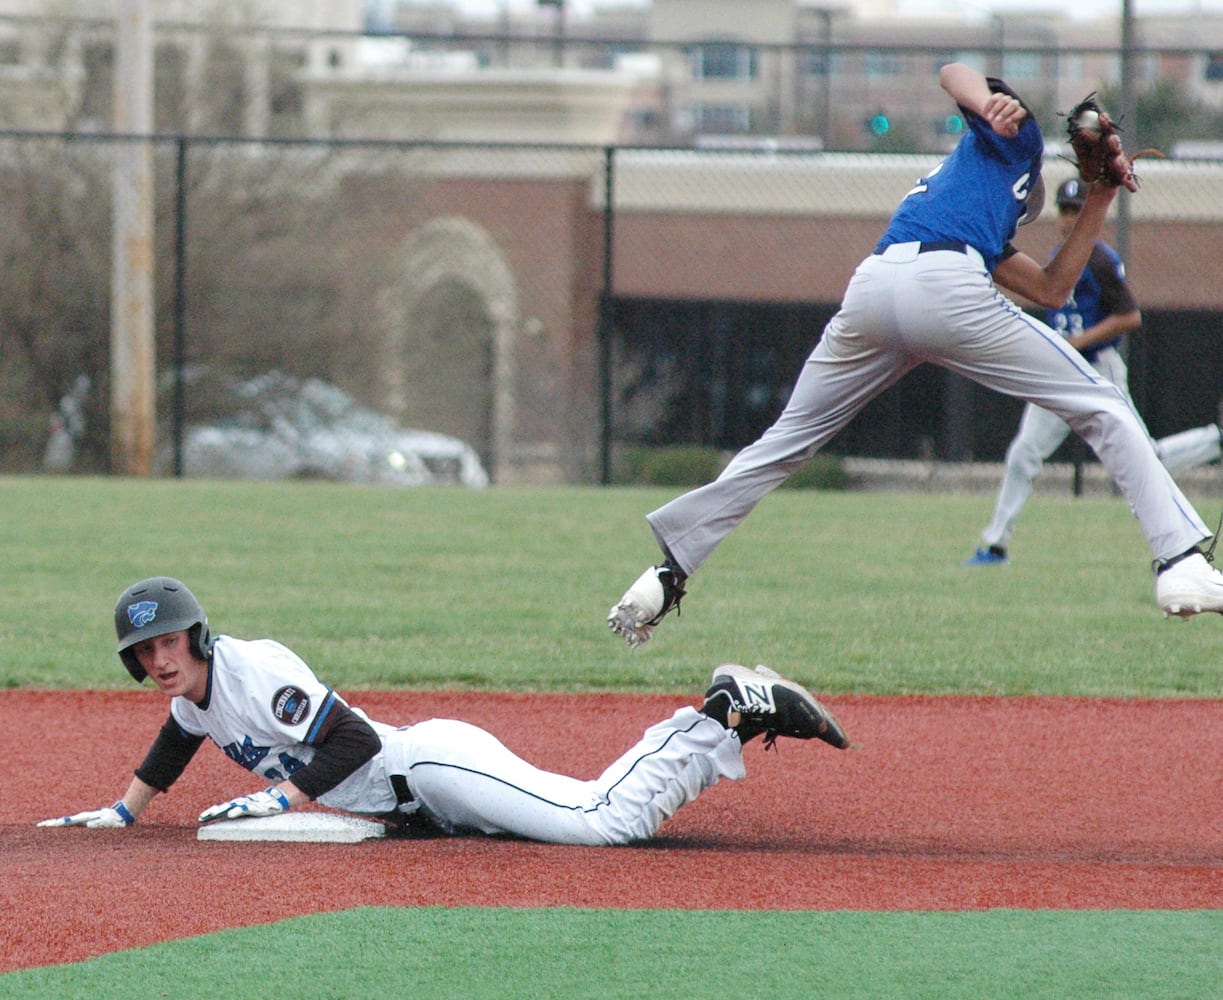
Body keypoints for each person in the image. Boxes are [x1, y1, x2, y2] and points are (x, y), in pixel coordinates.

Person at [607, 62, 1223, 648]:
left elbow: (1051, 288)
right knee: (1101, 403)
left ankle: (665, 575)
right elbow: (954, 71)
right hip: (944, 286)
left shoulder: (967, 203)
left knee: (784, 441)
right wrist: (989, 102)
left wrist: (1100, 198)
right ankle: (1179, 559)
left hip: (873, 290)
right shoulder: (1014, 141)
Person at [37, 576, 848, 844]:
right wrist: (125, 811)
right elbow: (173, 745)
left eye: (169, 643)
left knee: (597, 824)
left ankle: (718, 717)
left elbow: (350, 736)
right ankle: (720, 718)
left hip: (423, 765)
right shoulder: (196, 698)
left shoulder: (252, 672)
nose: (158, 661)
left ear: (198, 635)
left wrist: (282, 798)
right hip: (423, 799)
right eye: (144, 654)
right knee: (582, 819)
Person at [965, 178, 1223, 566]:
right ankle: (995, 544)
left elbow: (1129, 316)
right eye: (1065, 210)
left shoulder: (1100, 259)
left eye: (1076, 210)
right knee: (1023, 453)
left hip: (1100, 371)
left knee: (1146, 459)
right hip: (1059, 372)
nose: (1069, 218)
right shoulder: (1059, 255)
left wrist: (1077, 343)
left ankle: (1215, 441)